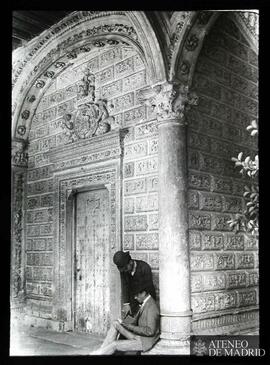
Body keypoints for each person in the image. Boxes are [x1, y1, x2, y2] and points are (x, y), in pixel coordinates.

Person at [91, 284, 160, 355]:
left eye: (137, 295)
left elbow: (150, 331)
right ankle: (102, 350)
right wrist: (124, 323)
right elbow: (137, 320)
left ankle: (100, 352)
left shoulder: (152, 307)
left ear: (144, 293)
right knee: (116, 323)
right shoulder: (146, 302)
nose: (135, 297)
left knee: (115, 344)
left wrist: (130, 327)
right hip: (137, 336)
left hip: (144, 341)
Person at [113, 251, 156, 316]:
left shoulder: (144, 267)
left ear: (131, 262)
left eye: (125, 268)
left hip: (145, 302)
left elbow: (148, 289)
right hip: (133, 303)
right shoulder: (124, 270)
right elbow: (125, 286)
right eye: (122, 270)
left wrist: (143, 307)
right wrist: (126, 304)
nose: (124, 271)